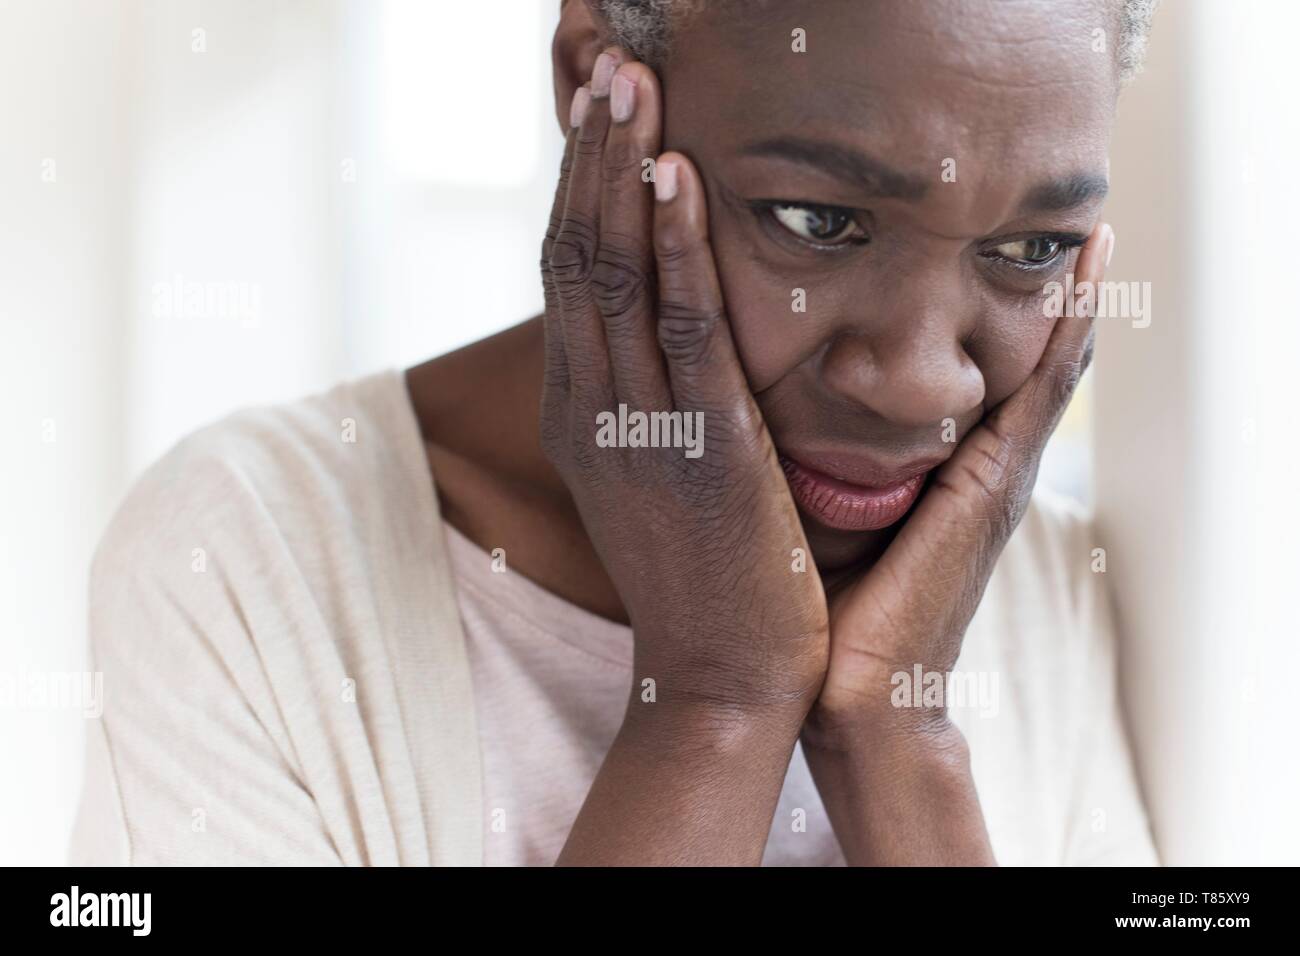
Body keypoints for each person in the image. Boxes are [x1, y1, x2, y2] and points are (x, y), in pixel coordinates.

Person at [70, 0, 1160, 866]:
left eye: (1029, 250)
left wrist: (901, 742)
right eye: (819, 221)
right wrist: (716, 698)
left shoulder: (1053, 591)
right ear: (595, 79)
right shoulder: (250, 563)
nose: (921, 382)